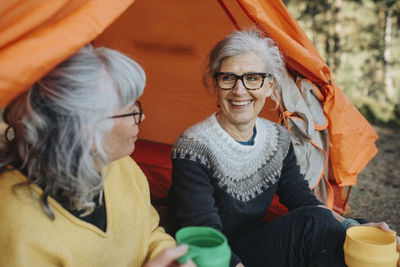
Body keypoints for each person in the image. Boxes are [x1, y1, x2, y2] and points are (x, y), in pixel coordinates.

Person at [167, 30, 400, 267]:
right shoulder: (193, 147)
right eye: (228, 78)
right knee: (315, 226)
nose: (239, 90)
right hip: (209, 256)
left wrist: (353, 226)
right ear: (216, 84)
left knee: (324, 225)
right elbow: (204, 234)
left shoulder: (276, 138)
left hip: (251, 242)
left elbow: (301, 199)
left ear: (270, 85)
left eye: (253, 78)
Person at [0, 45, 195, 267]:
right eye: (132, 110)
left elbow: (148, 231)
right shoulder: (18, 226)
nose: (142, 116)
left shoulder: (121, 165)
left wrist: (169, 256)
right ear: (86, 131)